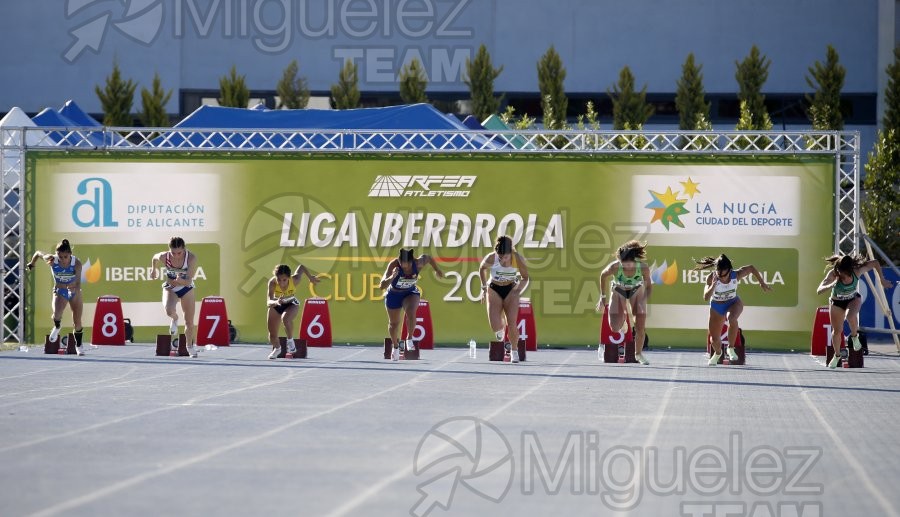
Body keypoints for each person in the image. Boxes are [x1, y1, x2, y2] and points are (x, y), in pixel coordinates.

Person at [816, 253, 893, 369]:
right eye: (841, 275)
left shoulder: (857, 271)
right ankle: (837, 356)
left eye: (846, 275)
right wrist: (831, 285)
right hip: (837, 303)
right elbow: (819, 290)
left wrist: (882, 279)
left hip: (853, 299)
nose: (843, 278)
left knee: (850, 316)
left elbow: (875, 263)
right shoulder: (833, 274)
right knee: (837, 331)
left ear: (850, 270)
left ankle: (854, 336)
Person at [695, 254, 771, 366]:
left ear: (729, 270)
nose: (722, 278)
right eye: (719, 275)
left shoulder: (736, 275)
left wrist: (761, 282)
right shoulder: (711, 278)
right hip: (717, 306)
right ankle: (718, 353)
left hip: (733, 302)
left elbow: (751, 268)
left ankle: (730, 348)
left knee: (732, 319)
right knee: (714, 339)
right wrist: (713, 286)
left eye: (725, 276)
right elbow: (706, 297)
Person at [379, 248, 444, 361]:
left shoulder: (418, 263)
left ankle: (409, 338)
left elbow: (428, 258)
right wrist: (392, 276)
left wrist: (437, 270)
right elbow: (381, 286)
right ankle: (395, 347)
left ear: (411, 262)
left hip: (410, 292)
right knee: (394, 324)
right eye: (401, 263)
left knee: (411, 312)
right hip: (394, 294)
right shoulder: (393, 265)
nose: (403, 266)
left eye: (406, 264)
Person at [595, 240, 651, 365]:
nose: (627, 266)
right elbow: (602, 276)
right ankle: (623, 323)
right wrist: (602, 297)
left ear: (634, 260)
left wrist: (644, 299)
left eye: (629, 263)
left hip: (636, 290)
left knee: (640, 326)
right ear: (620, 261)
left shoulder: (643, 268)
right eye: (624, 263)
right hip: (618, 290)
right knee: (614, 328)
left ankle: (638, 354)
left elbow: (648, 284)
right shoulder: (614, 267)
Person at [26, 239, 85, 356]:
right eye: (60, 256)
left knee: (77, 322)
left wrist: (73, 290)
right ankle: (57, 326)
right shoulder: (51, 259)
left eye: (65, 257)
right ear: (56, 254)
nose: (62, 260)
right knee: (56, 314)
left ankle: (79, 345)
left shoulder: (76, 263)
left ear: (70, 255)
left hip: (74, 292)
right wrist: (32, 263)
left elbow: (78, 283)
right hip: (60, 290)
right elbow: (38, 253)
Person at [478, 235, 529, 363]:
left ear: (510, 252)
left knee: (512, 323)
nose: (502, 260)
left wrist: (517, 291)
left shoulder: (518, 259)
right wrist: (483, 288)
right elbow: (482, 269)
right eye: (500, 257)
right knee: (496, 327)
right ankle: (501, 326)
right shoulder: (492, 257)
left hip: (511, 288)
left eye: (505, 257)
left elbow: (525, 278)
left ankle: (514, 351)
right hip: (494, 288)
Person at [150, 237, 199, 358]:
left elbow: (189, 281)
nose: (176, 256)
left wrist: (181, 280)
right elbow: (154, 258)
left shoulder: (191, 258)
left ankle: (189, 347)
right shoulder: (164, 256)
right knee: (169, 310)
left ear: (184, 249)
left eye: (179, 253)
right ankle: (175, 319)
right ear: (169, 250)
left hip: (186, 289)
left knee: (189, 321)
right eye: (173, 253)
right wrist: (153, 270)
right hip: (171, 287)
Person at [266, 264, 320, 359]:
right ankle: (278, 349)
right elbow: (269, 301)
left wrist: (310, 277)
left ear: (289, 278)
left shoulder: (294, 280)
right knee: (272, 336)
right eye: (279, 279)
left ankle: (290, 341)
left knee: (286, 319)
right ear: (275, 277)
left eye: (284, 280)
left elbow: (302, 267)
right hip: (277, 304)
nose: (281, 283)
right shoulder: (272, 283)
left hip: (291, 303)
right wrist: (276, 301)